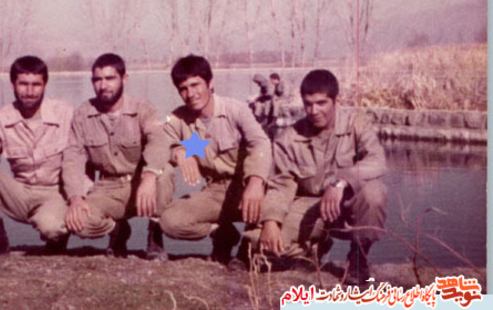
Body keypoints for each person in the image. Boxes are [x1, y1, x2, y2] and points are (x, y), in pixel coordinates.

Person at [257, 69, 387, 285]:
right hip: (309, 207)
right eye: (308, 104)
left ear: (337, 100)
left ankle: (359, 256)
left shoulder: (357, 124)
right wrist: (271, 220)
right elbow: (281, 185)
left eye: (321, 103)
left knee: (374, 192)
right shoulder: (289, 137)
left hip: (345, 206)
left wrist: (341, 181)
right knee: (263, 248)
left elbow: (377, 161)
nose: (314, 111)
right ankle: (314, 246)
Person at [159, 55, 273, 269]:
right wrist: (179, 152)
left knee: (274, 217)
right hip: (215, 191)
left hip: (248, 187)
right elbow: (158, 143)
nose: (191, 94)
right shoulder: (177, 118)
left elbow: (261, 143)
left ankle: (247, 247)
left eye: (196, 85)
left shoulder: (236, 110)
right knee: (170, 221)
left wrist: (256, 182)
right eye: (183, 89)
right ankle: (223, 234)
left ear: (210, 83)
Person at [0, 55, 75, 259]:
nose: (29, 91)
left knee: (52, 227)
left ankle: (56, 239)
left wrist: (78, 199)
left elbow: (81, 161)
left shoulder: (66, 113)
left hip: (54, 193)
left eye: (36, 84)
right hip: (19, 193)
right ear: (13, 84)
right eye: (23, 84)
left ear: (45, 85)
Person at [62, 53, 174, 260]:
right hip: (107, 189)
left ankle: (155, 234)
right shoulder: (83, 114)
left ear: (124, 79)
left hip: (140, 183)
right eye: (97, 79)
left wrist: (149, 176)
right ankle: (117, 230)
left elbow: (158, 141)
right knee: (79, 224)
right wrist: (76, 198)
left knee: (165, 172)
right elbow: (73, 158)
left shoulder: (143, 108)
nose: (103, 85)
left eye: (110, 78)